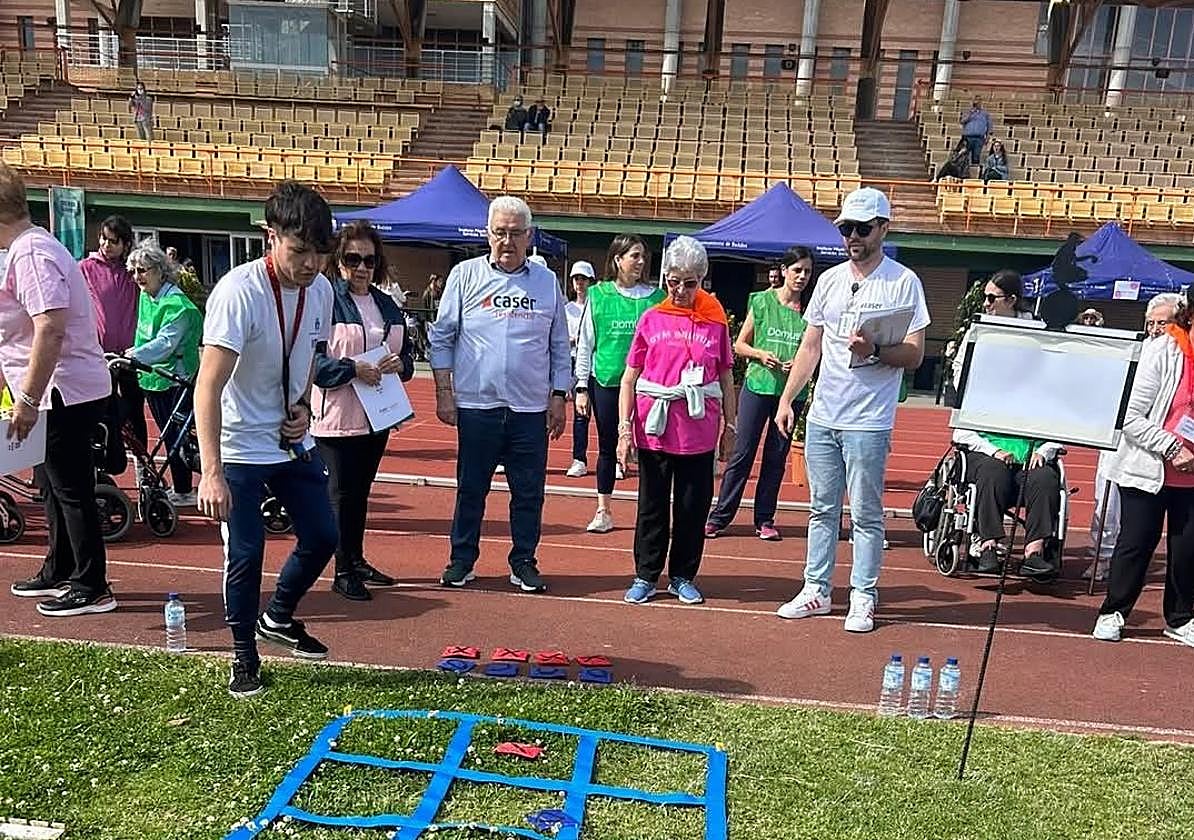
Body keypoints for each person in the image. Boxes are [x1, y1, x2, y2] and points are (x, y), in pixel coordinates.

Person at [195, 181, 339, 698]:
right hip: (238, 447)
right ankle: (243, 655)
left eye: (320, 254)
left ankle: (277, 617)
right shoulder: (239, 293)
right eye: (299, 251)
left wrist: (301, 405)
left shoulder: (320, 289)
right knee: (247, 551)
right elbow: (207, 386)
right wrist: (211, 473)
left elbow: (306, 356)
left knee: (324, 535)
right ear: (269, 237)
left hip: (288, 440)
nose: (310, 265)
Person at [773, 187, 930, 633]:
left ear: (884, 228)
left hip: (868, 420)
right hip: (824, 414)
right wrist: (788, 398)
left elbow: (916, 354)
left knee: (865, 513)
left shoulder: (904, 282)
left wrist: (877, 348)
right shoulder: (830, 280)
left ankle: (863, 595)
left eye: (862, 228)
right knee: (821, 509)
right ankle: (816, 589)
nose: (853, 237)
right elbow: (811, 345)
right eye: (846, 229)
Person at [430, 195, 570, 593]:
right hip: (477, 406)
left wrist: (558, 396)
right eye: (499, 233)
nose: (507, 241)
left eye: (515, 234)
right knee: (471, 489)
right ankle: (461, 560)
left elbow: (560, 345)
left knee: (528, 494)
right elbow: (442, 338)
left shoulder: (547, 283)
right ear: (488, 234)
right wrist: (444, 392)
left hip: (529, 410)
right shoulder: (464, 276)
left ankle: (523, 561)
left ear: (529, 237)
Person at [0, 162, 116, 616]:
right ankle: (61, 566)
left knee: (72, 489)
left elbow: (50, 328)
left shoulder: (31, 253)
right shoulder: (27, 250)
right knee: (49, 484)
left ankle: (92, 584)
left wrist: (27, 400)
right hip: (55, 391)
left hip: (63, 391)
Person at [618, 236, 736, 606]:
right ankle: (646, 575)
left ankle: (683, 575)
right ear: (664, 277)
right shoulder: (651, 319)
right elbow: (629, 377)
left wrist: (730, 427)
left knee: (692, 506)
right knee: (652, 505)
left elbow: (727, 377)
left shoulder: (715, 321)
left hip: (698, 431)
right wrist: (624, 429)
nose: (681, 289)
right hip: (655, 428)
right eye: (673, 281)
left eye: (690, 282)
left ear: (702, 279)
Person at [311, 220, 413, 602]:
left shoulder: (386, 303)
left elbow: (405, 352)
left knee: (361, 493)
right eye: (353, 258)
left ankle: (356, 558)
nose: (362, 267)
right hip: (336, 418)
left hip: (376, 415)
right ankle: (342, 570)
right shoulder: (326, 300)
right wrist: (353, 368)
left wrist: (398, 364)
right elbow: (314, 363)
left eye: (369, 260)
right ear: (339, 260)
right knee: (341, 495)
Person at [1092, 289, 1194, 647]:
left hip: (1192, 475)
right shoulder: (1161, 351)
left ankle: (1181, 618)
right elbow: (1130, 417)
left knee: (1187, 549)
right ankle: (1113, 612)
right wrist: (1172, 447)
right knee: (1136, 544)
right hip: (1149, 466)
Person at [950, 270, 1063, 580]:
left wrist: (1046, 449)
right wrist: (992, 449)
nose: (985, 304)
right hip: (987, 442)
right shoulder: (978, 335)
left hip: (1030, 441)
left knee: (1044, 479)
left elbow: (1058, 410)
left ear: (1012, 300)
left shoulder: (1038, 335)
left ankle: (1034, 552)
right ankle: (987, 546)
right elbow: (962, 402)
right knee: (992, 471)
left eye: (991, 298)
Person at [706, 246, 813, 541]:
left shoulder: (811, 312)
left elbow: (814, 351)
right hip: (758, 387)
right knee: (742, 454)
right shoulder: (763, 302)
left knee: (776, 458)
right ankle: (719, 517)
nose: (802, 277)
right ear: (785, 271)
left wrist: (800, 365)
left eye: (807, 271)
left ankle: (765, 519)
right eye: (797, 270)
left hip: (791, 395)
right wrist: (760, 354)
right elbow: (738, 345)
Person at [1086, 292, 1183, 582]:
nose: (1155, 329)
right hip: (1126, 444)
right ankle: (1101, 558)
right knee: (1106, 505)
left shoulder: (1177, 355)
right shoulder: (1139, 350)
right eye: (1150, 323)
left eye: (1162, 323)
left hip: (1160, 454)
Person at [574, 235, 665, 533]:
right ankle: (604, 510)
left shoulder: (657, 298)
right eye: (634, 256)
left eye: (643, 256)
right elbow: (586, 344)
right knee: (607, 448)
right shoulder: (598, 295)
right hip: (608, 383)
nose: (640, 262)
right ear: (618, 259)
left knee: (652, 451)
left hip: (649, 387)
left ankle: (650, 515)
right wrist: (582, 387)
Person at [125, 241, 203, 506]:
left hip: (176, 379)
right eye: (134, 271)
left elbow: (165, 344)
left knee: (179, 436)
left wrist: (133, 355)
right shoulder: (147, 297)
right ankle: (181, 487)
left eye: (143, 270)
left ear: (160, 270)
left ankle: (185, 488)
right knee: (167, 434)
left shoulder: (177, 305)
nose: (137, 277)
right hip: (153, 377)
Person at [79, 215, 146, 451]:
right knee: (101, 408)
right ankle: (101, 462)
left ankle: (143, 466)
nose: (107, 245)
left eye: (114, 241)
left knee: (135, 407)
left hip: (129, 354)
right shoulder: (86, 268)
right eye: (104, 239)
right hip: (100, 354)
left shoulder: (134, 272)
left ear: (126, 245)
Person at [565, 261, 595, 479]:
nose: (579, 283)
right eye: (576, 279)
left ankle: (616, 460)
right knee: (580, 414)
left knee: (607, 417)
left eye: (583, 279)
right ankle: (579, 459)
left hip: (600, 364)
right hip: (576, 363)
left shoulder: (599, 305)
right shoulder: (567, 309)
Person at [960, 98, 992, 166]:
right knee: (964, 155)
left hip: (979, 138)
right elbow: (962, 121)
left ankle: (974, 172)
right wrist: (970, 113)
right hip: (968, 137)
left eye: (979, 102)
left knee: (976, 155)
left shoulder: (985, 114)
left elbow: (989, 126)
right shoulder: (967, 112)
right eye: (976, 102)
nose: (978, 103)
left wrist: (988, 137)